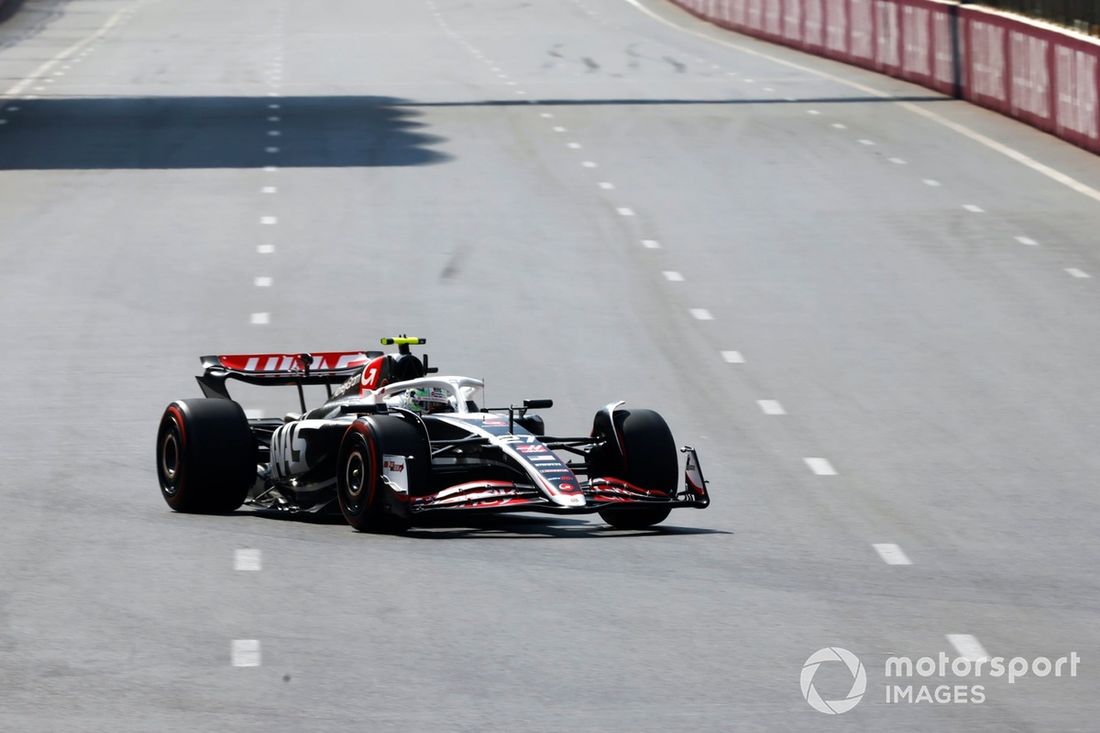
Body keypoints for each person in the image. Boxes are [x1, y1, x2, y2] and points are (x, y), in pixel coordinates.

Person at [388, 386, 456, 415]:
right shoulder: (395, 403)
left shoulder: (454, 404)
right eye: (428, 404)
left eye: (438, 404)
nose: (433, 409)